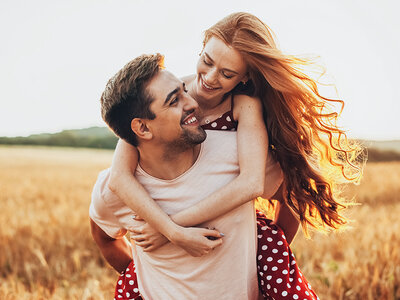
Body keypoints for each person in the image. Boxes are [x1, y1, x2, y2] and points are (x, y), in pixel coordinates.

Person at [104, 12, 361, 300]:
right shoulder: (167, 100)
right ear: (201, 48)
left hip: (233, 229)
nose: (210, 78)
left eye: (227, 74)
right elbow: (119, 177)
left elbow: (252, 183)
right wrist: (171, 233)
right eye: (207, 61)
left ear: (246, 76)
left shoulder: (244, 106)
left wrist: (171, 229)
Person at [91, 54, 319, 300]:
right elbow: (104, 237)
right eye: (173, 101)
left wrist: (267, 258)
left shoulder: (236, 155)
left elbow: (293, 195)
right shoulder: (115, 188)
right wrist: (139, 277)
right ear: (143, 128)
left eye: (184, 91)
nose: (192, 103)